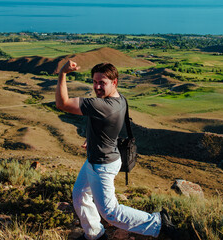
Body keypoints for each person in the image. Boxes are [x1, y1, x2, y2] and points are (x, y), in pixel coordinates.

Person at [55, 60, 177, 240]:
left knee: (111, 212)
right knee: (80, 195)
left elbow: (62, 103)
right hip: (99, 157)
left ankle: (158, 223)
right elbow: (109, 126)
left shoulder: (100, 106)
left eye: (102, 82)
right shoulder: (120, 100)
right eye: (95, 82)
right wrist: (93, 139)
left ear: (114, 82)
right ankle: (94, 235)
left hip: (102, 164)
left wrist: (62, 73)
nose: (97, 87)